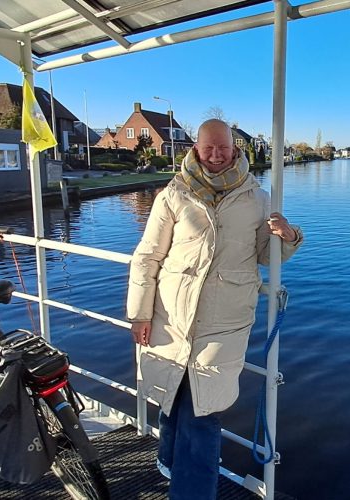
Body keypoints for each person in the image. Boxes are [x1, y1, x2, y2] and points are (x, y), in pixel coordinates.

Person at [126, 119, 303, 499]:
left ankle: (192, 492)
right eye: (209, 148)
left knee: (203, 412)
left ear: (235, 147)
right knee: (173, 393)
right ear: (196, 148)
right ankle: (169, 460)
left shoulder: (257, 198)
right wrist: (140, 313)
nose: (217, 155)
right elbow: (147, 257)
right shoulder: (173, 194)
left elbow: (264, 254)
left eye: (223, 147)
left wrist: (288, 237)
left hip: (226, 323)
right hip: (171, 317)